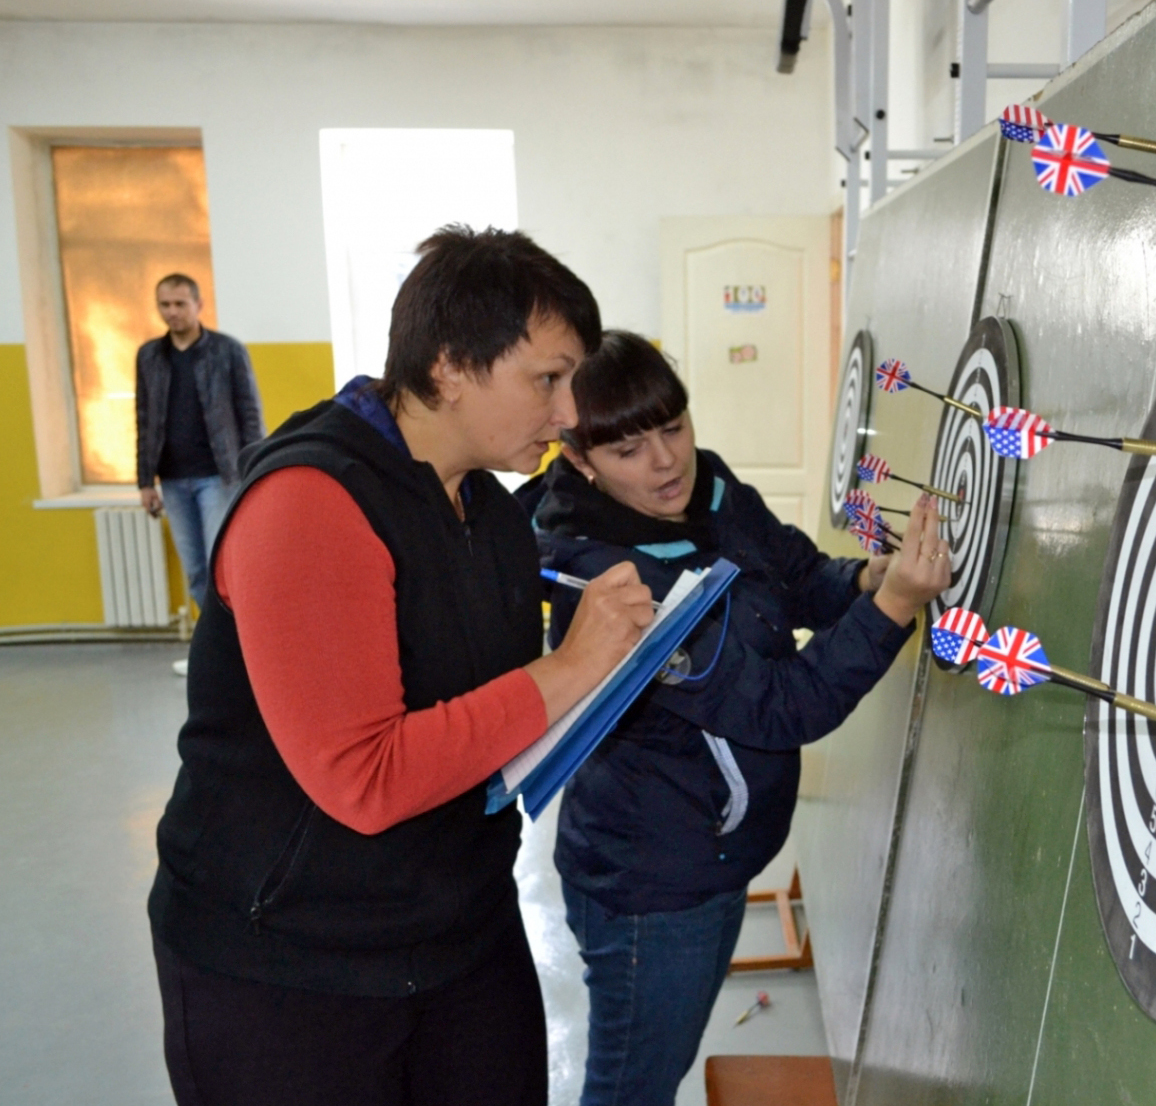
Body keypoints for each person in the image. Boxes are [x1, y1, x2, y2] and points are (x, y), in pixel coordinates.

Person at [147, 227, 657, 1106]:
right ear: (453, 365)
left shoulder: (489, 513)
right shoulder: (310, 504)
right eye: (548, 379)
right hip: (291, 967)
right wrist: (568, 671)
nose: (570, 411)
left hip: (456, 931)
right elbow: (364, 776)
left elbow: (483, 715)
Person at [534, 330, 952, 1106]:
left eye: (673, 427)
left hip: (706, 859)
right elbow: (777, 705)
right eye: (628, 448)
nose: (666, 461)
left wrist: (865, 578)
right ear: (579, 460)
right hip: (652, 889)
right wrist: (895, 608)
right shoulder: (613, 582)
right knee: (633, 1088)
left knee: (655, 1068)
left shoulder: (710, 489)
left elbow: (794, 577)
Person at [136, 273, 265, 675]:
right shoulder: (149, 356)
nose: (172, 312)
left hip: (219, 477)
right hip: (173, 480)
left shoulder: (228, 351)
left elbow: (249, 415)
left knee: (217, 566)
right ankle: (216, 651)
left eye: (179, 304)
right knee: (194, 570)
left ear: (198, 305)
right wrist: (144, 480)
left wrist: (255, 472)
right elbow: (142, 418)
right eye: (165, 305)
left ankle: (240, 653)